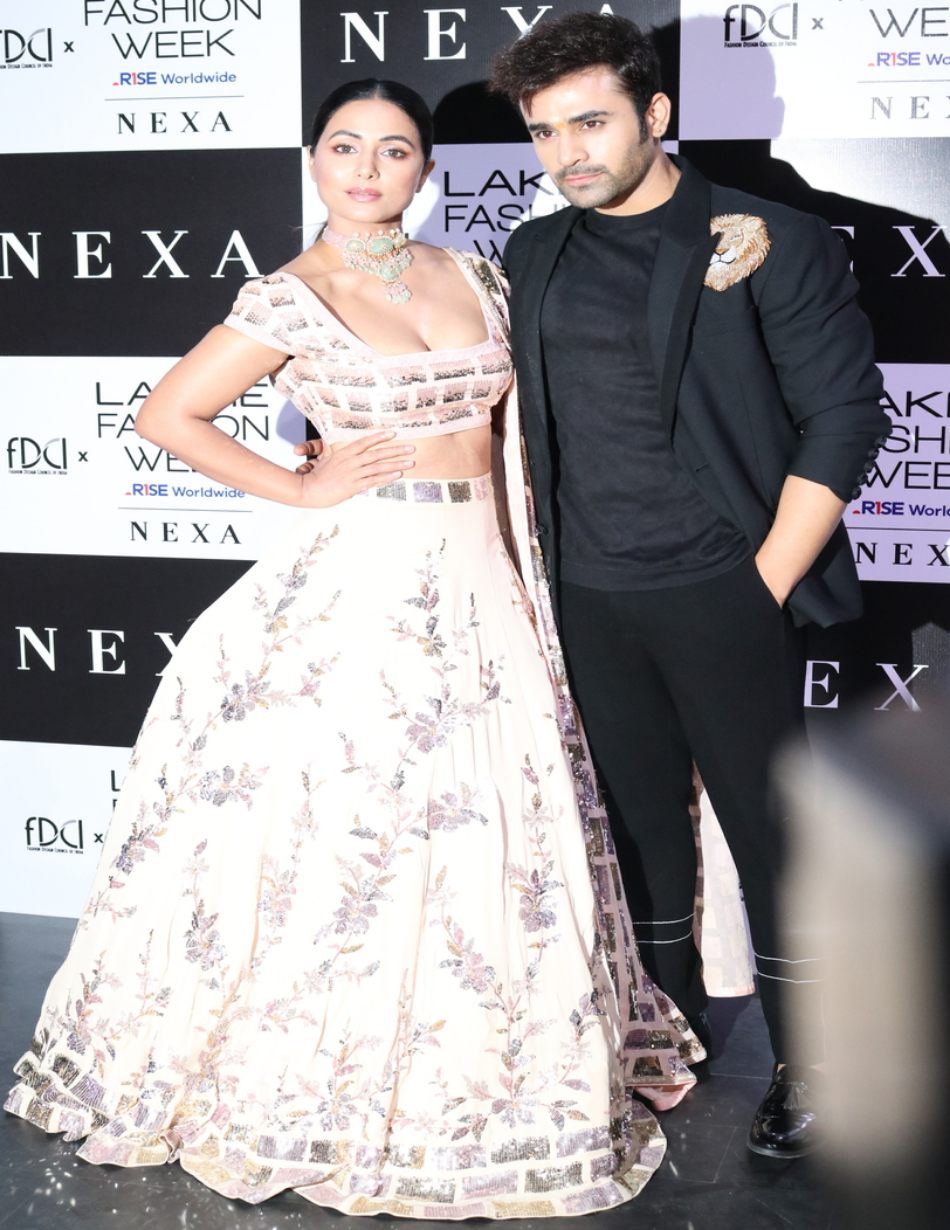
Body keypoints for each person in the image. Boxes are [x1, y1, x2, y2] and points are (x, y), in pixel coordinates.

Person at [5, 79, 704, 1218]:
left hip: (486, 579)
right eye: (345, 147)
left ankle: (486, 1065)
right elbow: (167, 416)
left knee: (488, 827)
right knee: (362, 832)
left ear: (424, 168)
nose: (369, 170)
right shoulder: (290, 296)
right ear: (314, 162)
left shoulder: (474, 274)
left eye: (394, 150)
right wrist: (299, 484)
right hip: (362, 583)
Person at [490, 12, 890, 1159]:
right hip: (588, 592)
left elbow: (843, 418)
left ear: (654, 113)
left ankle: (815, 1068)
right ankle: (659, 1043)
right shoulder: (532, 251)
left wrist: (758, 584)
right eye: (543, 132)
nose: (566, 152)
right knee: (636, 832)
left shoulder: (769, 237)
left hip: (724, 583)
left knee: (767, 834)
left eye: (589, 123)